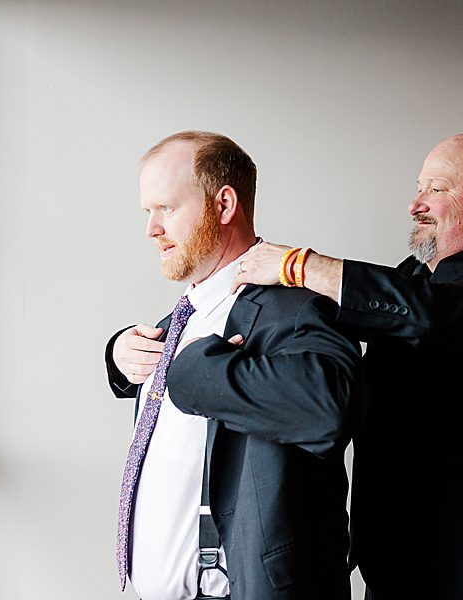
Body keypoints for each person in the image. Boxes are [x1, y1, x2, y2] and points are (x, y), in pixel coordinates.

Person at [233, 134, 463, 600]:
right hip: (395, 560)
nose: (415, 204)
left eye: (437, 189)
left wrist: (297, 265)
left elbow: (426, 313)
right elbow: (342, 312)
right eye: (419, 187)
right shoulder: (415, 274)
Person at [104, 131, 363, 600]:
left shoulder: (298, 307)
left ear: (224, 205)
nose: (151, 228)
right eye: (147, 212)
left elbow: (329, 407)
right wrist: (119, 355)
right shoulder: (190, 313)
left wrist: (197, 371)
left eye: (166, 208)